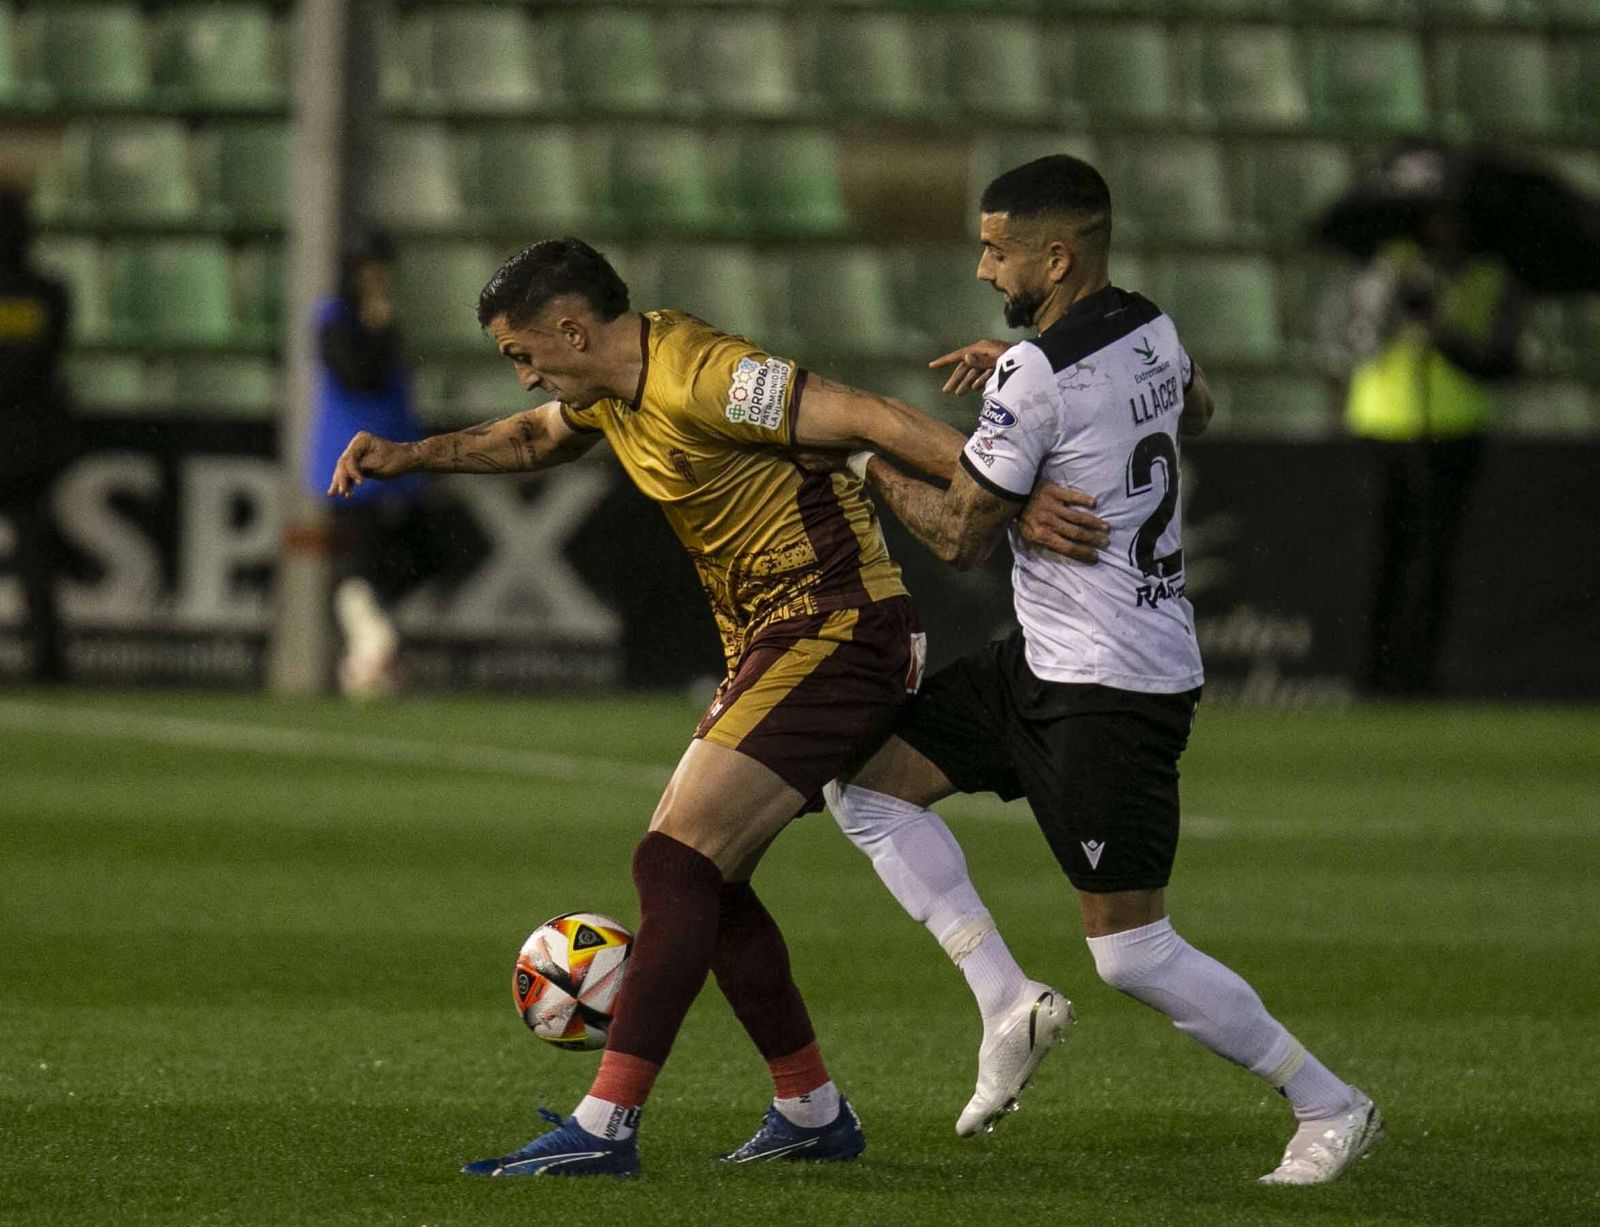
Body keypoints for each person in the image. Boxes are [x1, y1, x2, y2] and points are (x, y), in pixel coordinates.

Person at [328, 238, 1104, 1177]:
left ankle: (606, 1126)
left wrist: (1008, 498)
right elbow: (535, 436)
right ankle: (811, 1109)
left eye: (522, 352)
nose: (525, 372)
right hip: (782, 640)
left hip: (838, 629)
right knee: (708, 879)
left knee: (671, 860)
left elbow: (874, 416)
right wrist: (409, 455)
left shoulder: (707, 376)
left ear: (572, 328)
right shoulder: (604, 390)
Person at [824, 155, 1385, 1184]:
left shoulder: (1039, 374)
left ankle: (1330, 1103)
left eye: (997, 251)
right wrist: (1052, 402)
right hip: (1047, 659)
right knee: (864, 790)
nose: (986, 270)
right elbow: (1197, 408)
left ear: (1056, 252)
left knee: (1131, 953)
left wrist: (861, 463)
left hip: (1112, 689)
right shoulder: (1147, 323)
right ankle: (1006, 1001)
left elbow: (957, 539)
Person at [1333, 205, 1520, 697]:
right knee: (1381, 556)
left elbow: (1504, 360)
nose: (1445, 229)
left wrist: (1444, 333)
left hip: (1454, 433)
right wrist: (1393, 306)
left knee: (1435, 560)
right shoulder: (1388, 268)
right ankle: (1372, 677)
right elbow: (1352, 343)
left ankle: (1419, 677)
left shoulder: (1490, 276)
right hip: (1384, 427)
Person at [309, 231, 483, 696]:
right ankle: (368, 649)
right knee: (366, 554)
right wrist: (378, 329)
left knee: (429, 555)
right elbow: (357, 376)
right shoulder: (335, 319)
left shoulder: (379, 319)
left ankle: (369, 636)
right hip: (352, 461)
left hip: (398, 460)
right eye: (371, 267)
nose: (379, 277)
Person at [0, 190, 74, 684]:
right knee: (34, 553)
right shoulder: (49, 291)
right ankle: (47, 659)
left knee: (34, 553)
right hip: (31, 438)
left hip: (21, 436)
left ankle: (48, 657)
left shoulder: (47, 292)